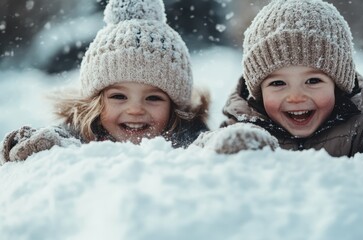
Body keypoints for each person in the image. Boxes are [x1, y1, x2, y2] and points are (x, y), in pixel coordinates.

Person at [193, 0, 363, 183]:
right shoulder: (246, 124)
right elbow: (198, 151)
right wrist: (228, 146)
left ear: (338, 85)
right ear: (258, 92)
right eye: (278, 84)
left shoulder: (360, 123)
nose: (296, 96)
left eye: (313, 80)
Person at [1, 0, 209, 163]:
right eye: (119, 96)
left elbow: (208, 145)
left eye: (153, 97)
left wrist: (221, 146)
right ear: (96, 102)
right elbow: (57, 138)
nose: (135, 109)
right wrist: (33, 145)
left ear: (174, 106)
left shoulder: (186, 137)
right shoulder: (81, 134)